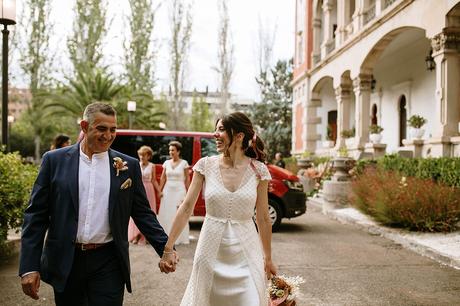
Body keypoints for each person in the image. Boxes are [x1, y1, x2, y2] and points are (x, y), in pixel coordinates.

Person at [19, 102, 177, 306]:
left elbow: (143, 214)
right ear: (84, 126)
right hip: (68, 260)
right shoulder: (54, 161)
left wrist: (166, 248)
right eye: (101, 129)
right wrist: (29, 266)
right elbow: (36, 215)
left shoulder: (129, 166)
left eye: (113, 130)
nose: (108, 135)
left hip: (108, 261)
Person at [159, 112, 277, 306]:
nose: (215, 134)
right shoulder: (205, 165)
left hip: (246, 252)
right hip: (209, 250)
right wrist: (168, 248)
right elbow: (186, 207)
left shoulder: (258, 170)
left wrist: (268, 258)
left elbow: (263, 217)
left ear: (239, 136)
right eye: (215, 129)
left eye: (221, 129)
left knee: (252, 299)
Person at [158, 141, 190, 245]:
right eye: (170, 150)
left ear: (178, 151)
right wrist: (160, 190)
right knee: (166, 213)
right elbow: (163, 178)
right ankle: (165, 236)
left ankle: (179, 237)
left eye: (173, 150)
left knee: (178, 213)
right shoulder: (166, 163)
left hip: (179, 191)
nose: (170, 152)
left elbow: (187, 179)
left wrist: (188, 193)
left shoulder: (184, 163)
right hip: (167, 191)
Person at [128, 145, 162, 244]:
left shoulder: (152, 166)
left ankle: (146, 236)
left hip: (149, 190)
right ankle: (136, 235)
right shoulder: (136, 164)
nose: (142, 157)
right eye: (140, 155)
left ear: (149, 156)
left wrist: (159, 191)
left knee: (148, 212)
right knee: (136, 211)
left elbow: (154, 180)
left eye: (144, 155)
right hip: (138, 189)